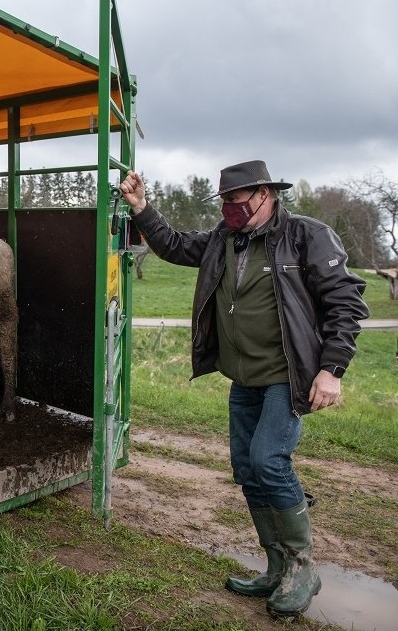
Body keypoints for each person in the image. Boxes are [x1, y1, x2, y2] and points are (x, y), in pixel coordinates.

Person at [120, 160, 369, 617]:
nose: (228, 210)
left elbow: (346, 303)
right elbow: (174, 246)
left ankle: (302, 567)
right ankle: (275, 567)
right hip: (244, 377)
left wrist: (332, 370)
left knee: (268, 461)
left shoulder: (305, 236)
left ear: (265, 195)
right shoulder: (223, 238)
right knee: (247, 469)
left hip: (285, 375)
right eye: (224, 203)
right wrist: (142, 208)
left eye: (235, 202)